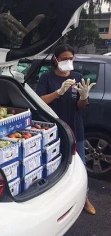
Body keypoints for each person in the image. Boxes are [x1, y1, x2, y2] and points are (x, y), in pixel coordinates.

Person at [36, 44, 96, 215]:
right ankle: (56, 201)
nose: (68, 61)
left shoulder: (78, 76)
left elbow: (81, 106)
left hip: (75, 128)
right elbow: (40, 102)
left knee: (80, 166)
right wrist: (59, 92)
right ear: (55, 59)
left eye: (71, 58)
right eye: (64, 59)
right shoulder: (46, 78)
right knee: (54, 165)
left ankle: (84, 198)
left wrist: (84, 97)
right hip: (53, 129)